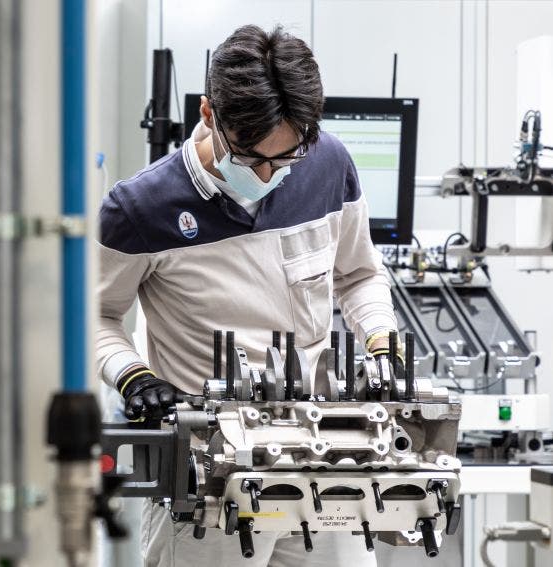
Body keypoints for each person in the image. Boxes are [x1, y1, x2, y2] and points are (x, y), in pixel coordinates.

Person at [97, 24, 396, 567]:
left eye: (286, 159)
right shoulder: (140, 207)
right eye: (253, 158)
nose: (269, 174)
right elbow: (94, 313)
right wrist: (131, 373)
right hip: (206, 472)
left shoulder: (328, 165)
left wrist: (380, 340)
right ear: (210, 114)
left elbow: (358, 274)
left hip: (324, 459)